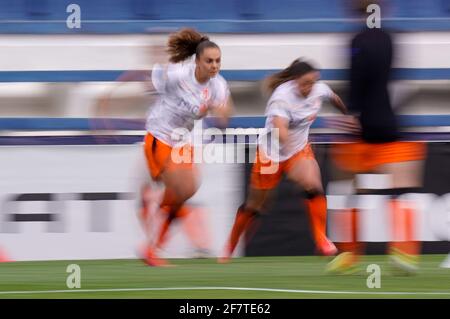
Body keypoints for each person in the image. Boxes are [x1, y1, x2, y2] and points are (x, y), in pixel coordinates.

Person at [99, 28, 232, 266]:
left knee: (188, 189)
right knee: (178, 188)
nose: (214, 66)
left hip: (183, 142)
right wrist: (108, 102)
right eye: (209, 61)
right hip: (159, 137)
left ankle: (151, 247)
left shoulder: (218, 85)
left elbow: (224, 116)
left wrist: (219, 110)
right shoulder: (177, 75)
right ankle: (158, 223)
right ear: (197, 61)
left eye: (218, 61)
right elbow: (146, 80)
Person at [326, 1, 426, 274]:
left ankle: (349, 254)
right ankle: (404, 251)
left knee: (349, 188)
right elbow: (398, 82)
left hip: (362, 125)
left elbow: (356, 81)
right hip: (392, 122)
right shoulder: (392, 38)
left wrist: (352, 114)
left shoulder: (356, 40)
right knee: (401, 191)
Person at [219, 59, 348, 263]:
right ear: (295, 81)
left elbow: (334, 98)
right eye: (305, 83)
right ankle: (230, 246)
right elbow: (280, 130)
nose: (309, 87)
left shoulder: (318, 89)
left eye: (312, 82)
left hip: (298, 150)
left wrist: (347, 115)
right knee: (256, 205)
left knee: (313, 185)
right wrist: (288, 152)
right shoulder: (281, 98)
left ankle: (321, 239)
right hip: (271, 155)